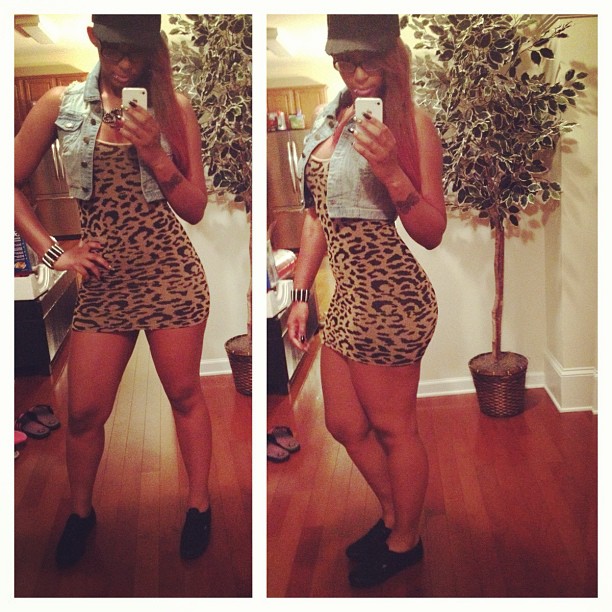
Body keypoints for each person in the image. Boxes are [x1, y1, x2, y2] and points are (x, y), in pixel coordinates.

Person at [15, 15, 212, 568]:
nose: (126, 64)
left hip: (171, 275)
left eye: (139, 51)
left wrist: (156, 154)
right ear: (95, 39)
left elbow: (195, 208)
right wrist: (54, 252)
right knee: (82, 413)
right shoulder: (59, 106)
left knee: (184, 395)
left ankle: (199, 505)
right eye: (116, 49)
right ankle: (81, 513)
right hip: (103, 284)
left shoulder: (174, 109)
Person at [287, 14, 446, 588]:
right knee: (343, 423)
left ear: (391, 57)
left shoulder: (412, 125)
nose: (354, 73)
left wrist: (392, 172)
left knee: (395, 428)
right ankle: (394, 512)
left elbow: (432, 231)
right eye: (343, 61)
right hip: (348, 298)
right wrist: (301, 292)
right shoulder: (325, 119)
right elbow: (315, 216)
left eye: (366, 60)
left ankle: (406, 541)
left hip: (392, 299)